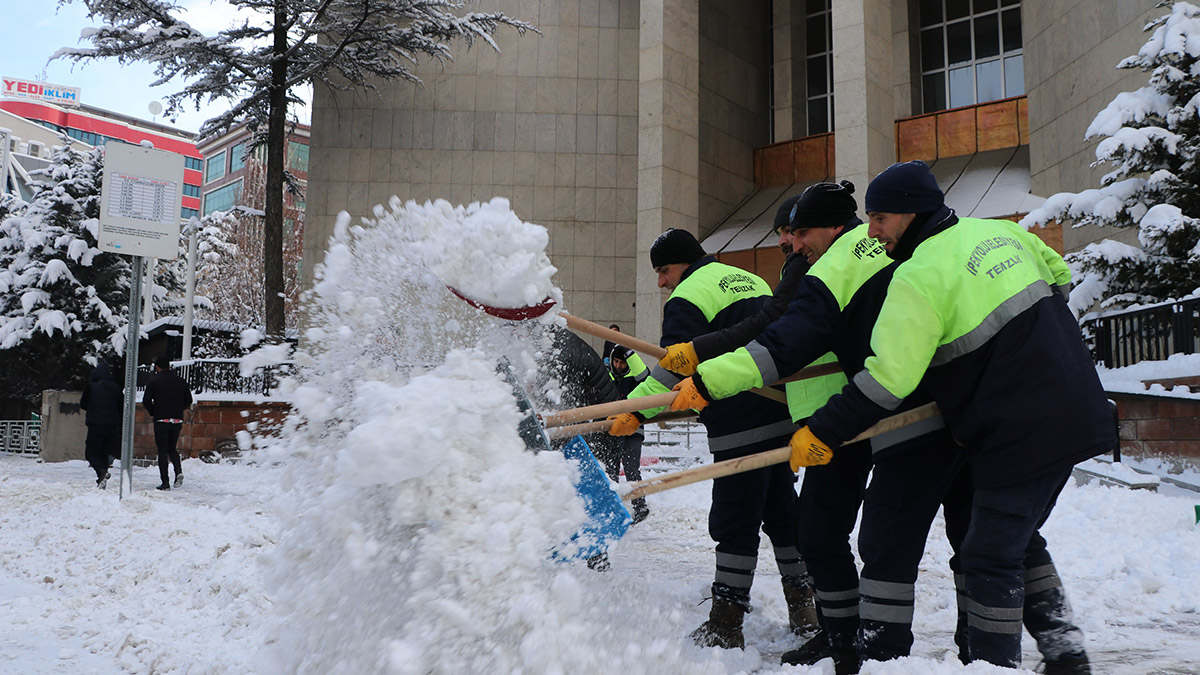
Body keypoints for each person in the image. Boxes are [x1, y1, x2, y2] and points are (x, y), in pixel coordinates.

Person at [792, 160, 1111, 673]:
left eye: (881, 219)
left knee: (988, 555)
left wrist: (822, 430)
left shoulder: (918, 275)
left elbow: (885, 382)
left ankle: (996, 667)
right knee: (1015, 540)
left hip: (1019, 431)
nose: (872, 232)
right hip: (1076, 405)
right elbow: (1059, 276)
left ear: (913, 214)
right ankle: (1067, 655)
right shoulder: (1003, 234)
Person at [664, 181, 968, 673]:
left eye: (799, 232)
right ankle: (854, 640)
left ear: (832, 227)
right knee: (949, 532)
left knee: (848, 533)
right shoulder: (877, 250)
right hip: (880, 405)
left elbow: (780, 336)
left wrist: (706, 372)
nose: (792, 242)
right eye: (789, 233)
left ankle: (860, 647)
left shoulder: (833, 266)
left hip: (862, 410)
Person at [607, 228, 818, 649]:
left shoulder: (688, 297)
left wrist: (633, 408)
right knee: (781, 514)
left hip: (739, 420)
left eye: (664, 271)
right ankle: (804, 609)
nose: (662, 282)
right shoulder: (748, 278)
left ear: (682, 263)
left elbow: (674, 370)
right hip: (779, 413)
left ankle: (726, 622)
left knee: (734, 519)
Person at [607, 346, 650, 524]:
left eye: (622, 362)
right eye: (615, 362)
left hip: (633, 430)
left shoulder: (635, 377)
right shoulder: (607, 377)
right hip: (612, 430)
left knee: (632, 469)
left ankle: (640, 506)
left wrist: (631, 355)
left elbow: (646, 376)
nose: (618, 366)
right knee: (611, 470)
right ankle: (612, 506)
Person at [142, 357, 193, 491]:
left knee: (163, 451)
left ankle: (165, 482)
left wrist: (154, 412)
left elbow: (146, 400)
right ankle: (178, 472)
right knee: (172, 448)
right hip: (176, 419)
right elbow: (189, 399)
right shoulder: (181, 381)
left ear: (157, 368)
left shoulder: (154, 381)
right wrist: (178, 409)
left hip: (161, 419)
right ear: (170, 366)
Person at [79, 362, 123, 489]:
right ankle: (101, 480)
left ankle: (102, 472)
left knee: (91, 453)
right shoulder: (116, 388)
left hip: (96, 424)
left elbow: (83, 404)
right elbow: (121, 406)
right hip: (112, 425)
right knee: (104, 453)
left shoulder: (91, 387)